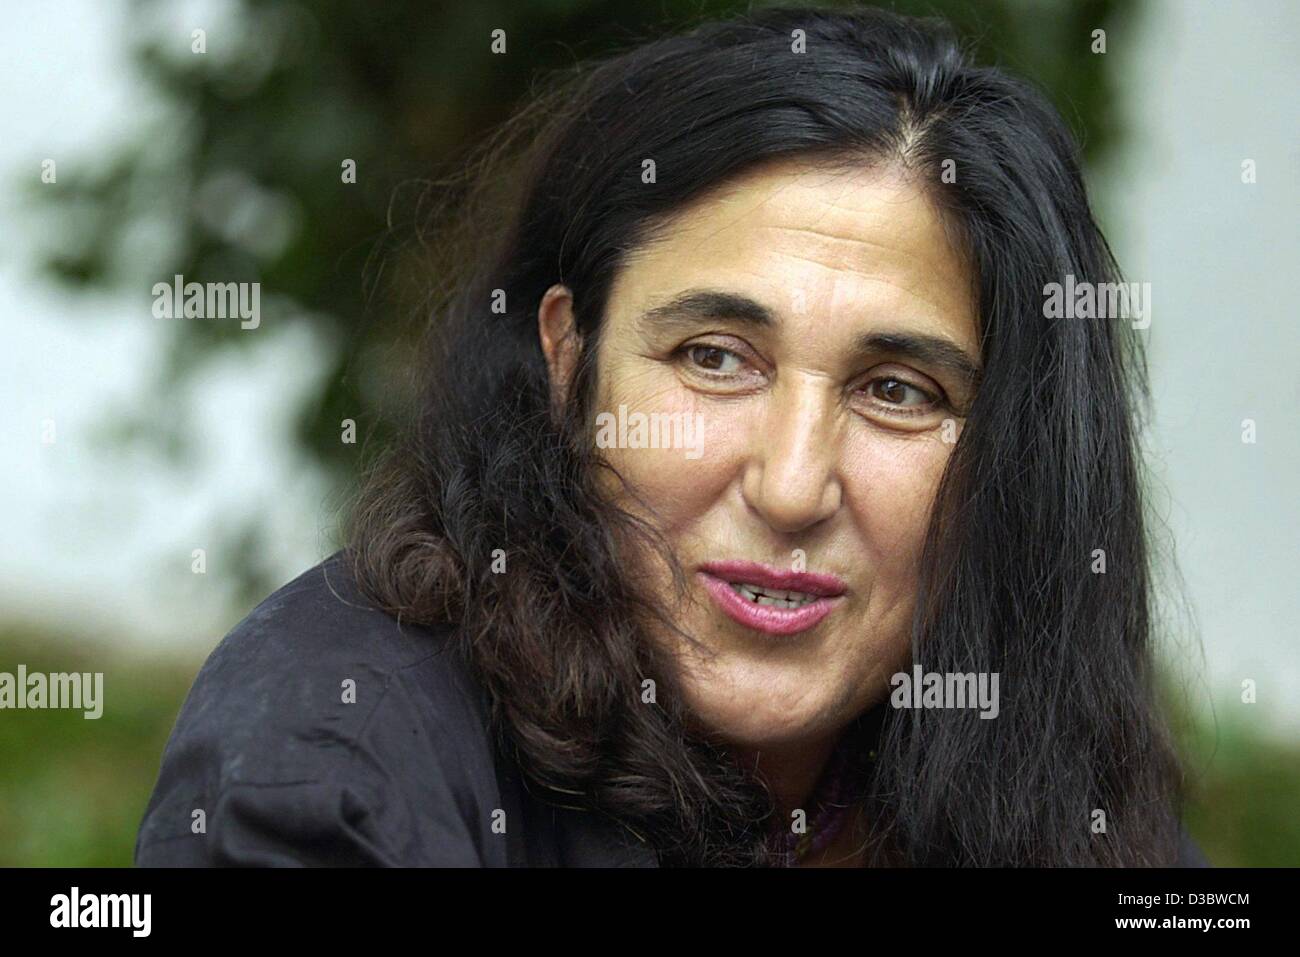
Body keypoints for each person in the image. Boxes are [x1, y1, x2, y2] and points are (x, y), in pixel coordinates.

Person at [136, 4, 1209, 867]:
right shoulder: (338, 764)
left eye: (896, 391)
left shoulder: (1056, 788)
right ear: (568, 363)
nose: (791, 487)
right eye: (713, 358)